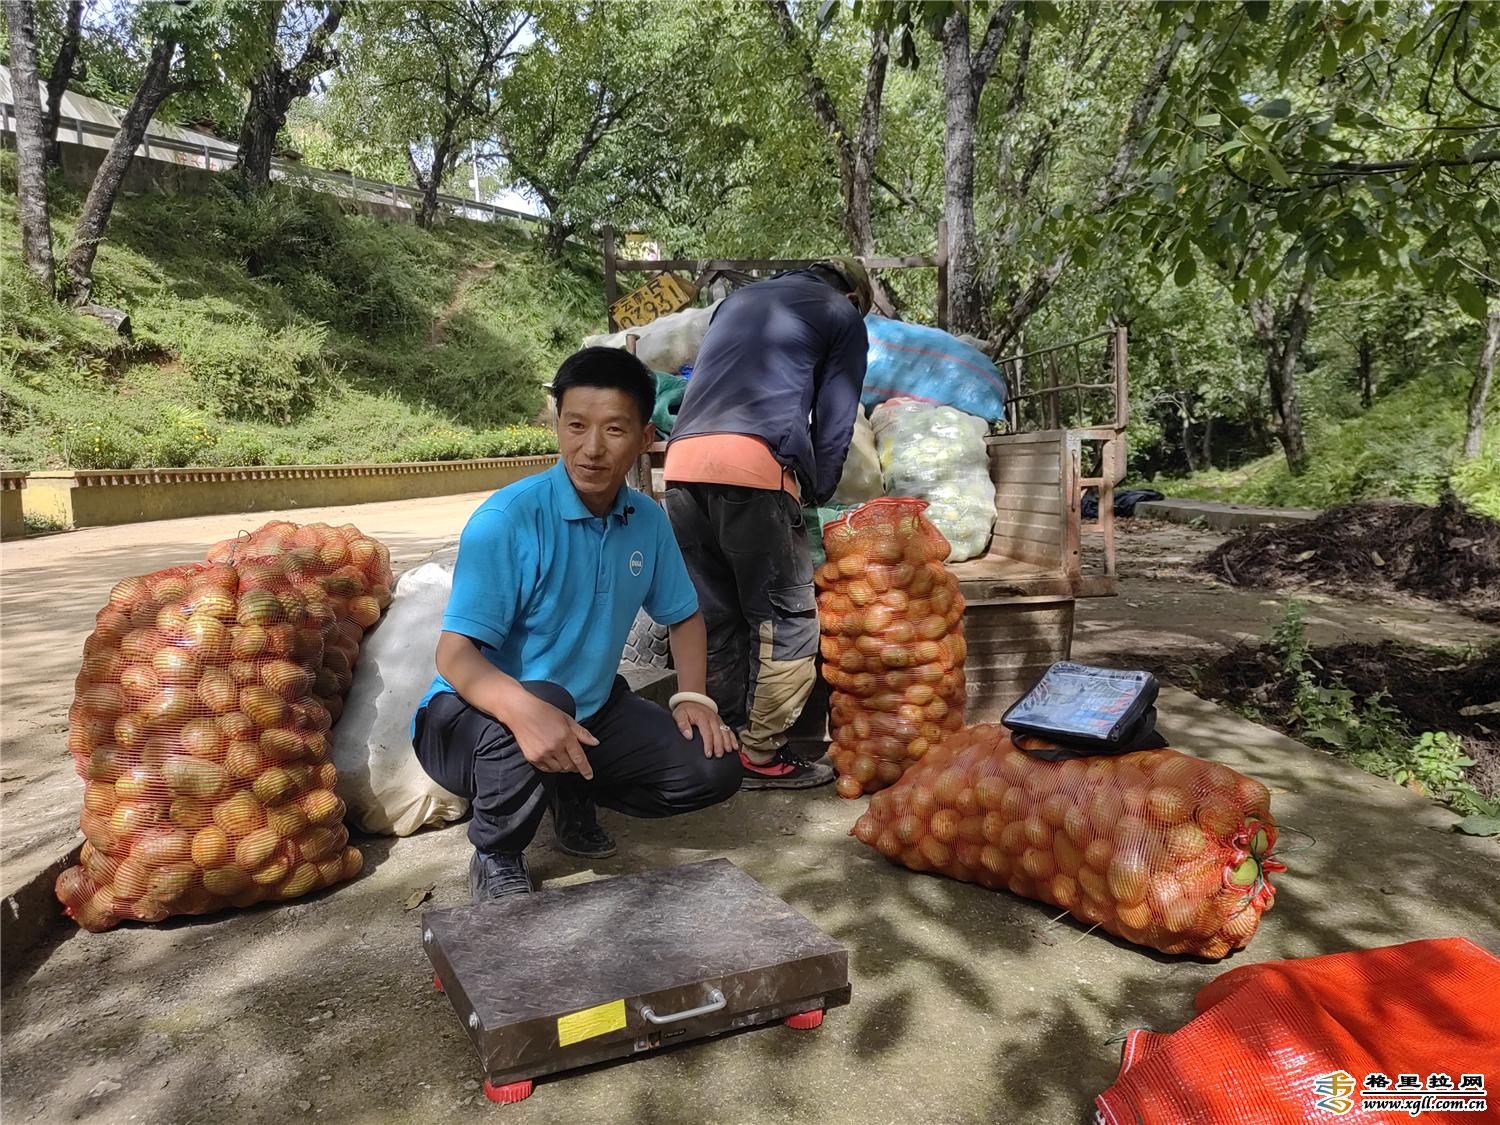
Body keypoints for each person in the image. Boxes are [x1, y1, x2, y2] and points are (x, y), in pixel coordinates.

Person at [412, 347, 741, 902]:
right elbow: (455, 655)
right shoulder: (508, 520)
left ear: (643, 439)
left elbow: (684, 616)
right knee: (545, 698)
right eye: (576, 426)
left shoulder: (647, 521)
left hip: (589, 709)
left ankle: (568, 787)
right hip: (467, 722)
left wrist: (692, 697)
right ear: (557, 426)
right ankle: (496, 850)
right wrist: (526, 709)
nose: (592, 448)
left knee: (713, 769)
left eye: (614, 429)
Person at [663, 258, 872, 790]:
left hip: (682, 468)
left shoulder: (736, 303)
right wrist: (818, 489)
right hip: (756, 473)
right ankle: (760, 752)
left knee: (715, 613)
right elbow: (836, 415)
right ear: (852, 296)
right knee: (785, 618)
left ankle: (720, 741)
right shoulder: (839, 314)